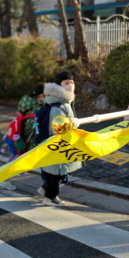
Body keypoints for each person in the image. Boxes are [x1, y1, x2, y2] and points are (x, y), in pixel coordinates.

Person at [37, 71, 82, 207]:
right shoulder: (60, 105)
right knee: (59, 172)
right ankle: (50, 197)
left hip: (52, 144)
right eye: (66, 83)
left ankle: (44, 189)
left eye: (72, 82)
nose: (70, 85)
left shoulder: (56, 101)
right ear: (59, 86)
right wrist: (74, 124)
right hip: (59, 144)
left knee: (55, 171)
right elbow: (57, 128)